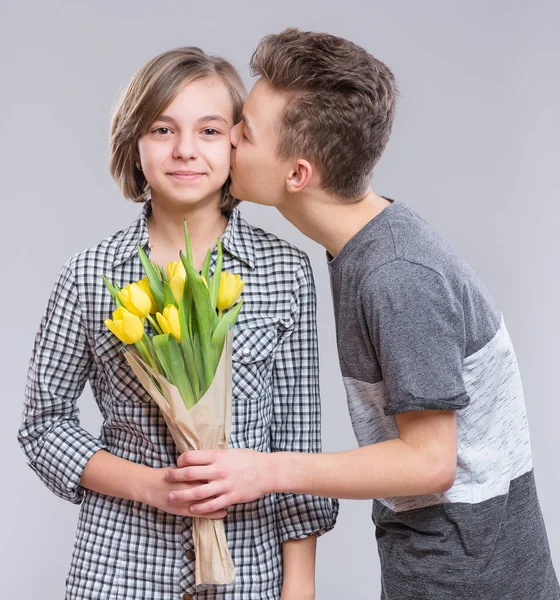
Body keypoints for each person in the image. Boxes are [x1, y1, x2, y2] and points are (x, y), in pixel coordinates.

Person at [167, 29, 560, 599]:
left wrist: (264, 469)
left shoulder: (397, 275)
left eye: (244, 132)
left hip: (468, 583)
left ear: (298, 174)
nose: (226, 137)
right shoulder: (367, 246)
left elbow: (430, 463)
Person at [18, 45, 337, 600]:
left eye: (210, 131)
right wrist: (151, 487)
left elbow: (298, 446)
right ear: (133, 143)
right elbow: (43, 426)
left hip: (249, 572)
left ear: (237, 144)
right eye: (163, 130)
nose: (186, 150)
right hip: (117, 569)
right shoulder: (90, 274)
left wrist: (300, 589)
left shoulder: (285, 271)